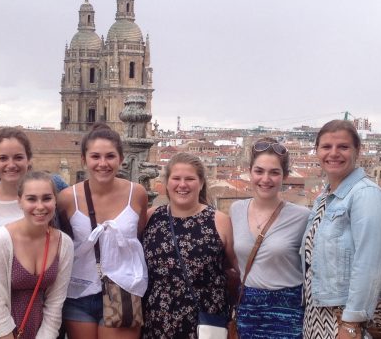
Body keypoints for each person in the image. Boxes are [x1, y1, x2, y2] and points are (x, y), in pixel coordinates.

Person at [302, 120, 381, 339]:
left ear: (357, 151)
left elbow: (369, 264)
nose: (333, 153)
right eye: (326, 147)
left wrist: (351, 324)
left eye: (343, 147)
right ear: (316, 151)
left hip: (344, 318)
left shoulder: (366, 195)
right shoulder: (325, 197)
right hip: (318, 316)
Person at [57, 123, 149, 339]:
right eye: (95, 156)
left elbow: (140, 234)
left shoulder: (137, 194)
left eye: (110, 156)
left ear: (121, 159)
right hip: (78, 293)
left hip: (124, 291)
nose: (103, 163)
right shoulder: (67, 198)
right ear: (84, 159)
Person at [141, 152, 239, 339]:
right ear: (167, 183)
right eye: (176, 178)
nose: (182, 184)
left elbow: (236, 268)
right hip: (158, 323)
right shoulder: (151, 218)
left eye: (190, 179)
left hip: (206, 325)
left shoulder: (219, 221)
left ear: (201, 183)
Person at [0, 171, 74, 338]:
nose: (40, 206)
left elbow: (55, 304)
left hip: (37, 329)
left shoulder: (64, 244)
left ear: (55, 201)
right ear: (20, 202)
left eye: (47, 198)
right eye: (31, 199)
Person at [231, 138, 310, 338]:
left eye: (274, 172)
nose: (265, 179)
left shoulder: (302, 216)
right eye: (259, 171)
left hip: (288, 313)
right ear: (250, 172)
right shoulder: (236, 210)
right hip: (247, 310)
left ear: (285, 176)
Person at [0, 127, 68, 261]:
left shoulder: (54, 185)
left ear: (28, 159)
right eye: (3, 158)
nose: (11, 165)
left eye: (18, 157)